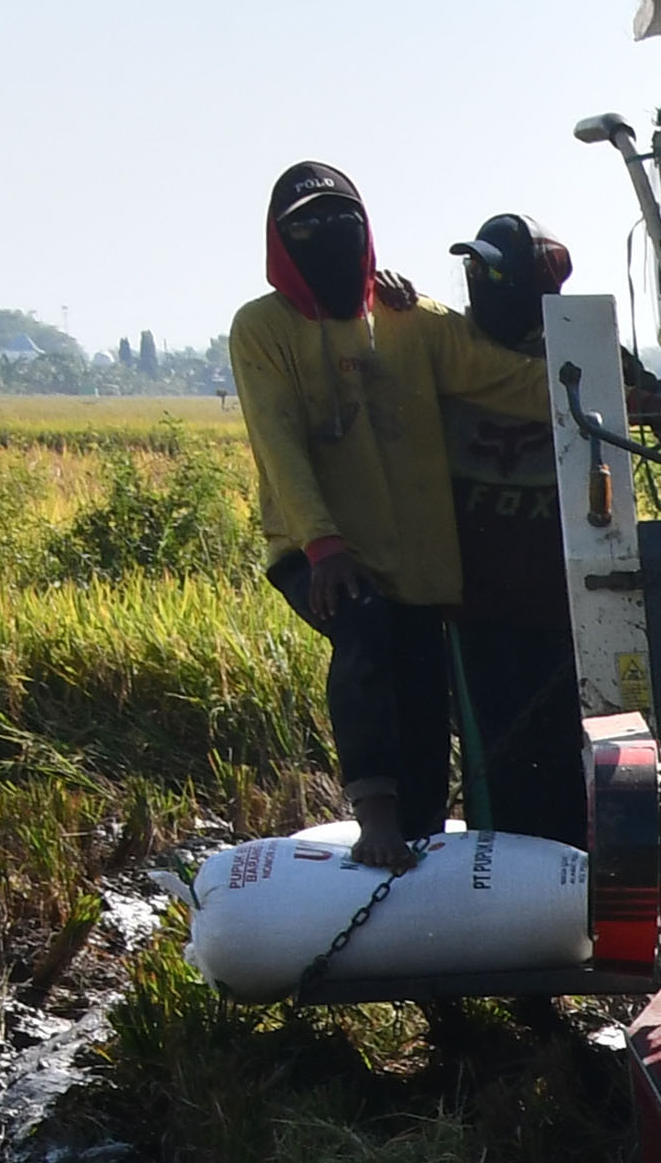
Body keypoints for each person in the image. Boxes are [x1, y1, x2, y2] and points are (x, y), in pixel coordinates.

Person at [229, 162, 557, 871]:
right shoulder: (263, 329)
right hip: (317, 553)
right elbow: (279, 442)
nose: (327, 237)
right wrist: (323, 547)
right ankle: (374, 817)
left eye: (341, 221)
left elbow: (500, 378)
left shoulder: (408, 318)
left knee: (423, 710)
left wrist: (608, 391)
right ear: (280, 243)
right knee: (363, 630)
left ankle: (423, 866)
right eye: (306, 227)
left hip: (415, 557)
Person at [436, 214, 594, 846]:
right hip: (480, 603)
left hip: (571, 600)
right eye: (472, 271)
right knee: (493, 758)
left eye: (493, 272)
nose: (479, 284)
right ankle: (499, 881)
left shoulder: (586, 352)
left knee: (573, 744)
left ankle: (578, 873)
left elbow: (653, 408)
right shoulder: (453, 353)